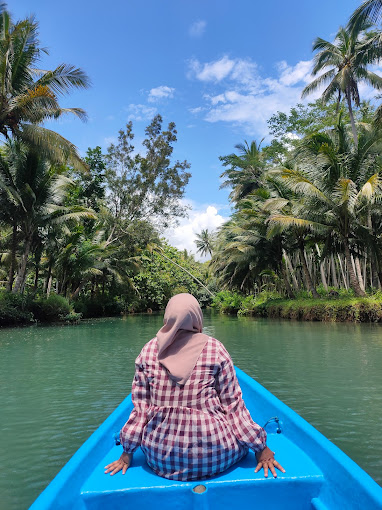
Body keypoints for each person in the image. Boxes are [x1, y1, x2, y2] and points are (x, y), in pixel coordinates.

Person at [105, 293, 285, 480]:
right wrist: (260, 448)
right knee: (235, 431)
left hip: (161, 459)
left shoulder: (148, 351)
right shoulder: (215, 349)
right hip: (217, 456)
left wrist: (127, 453)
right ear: (197, 317)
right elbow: (234, 407)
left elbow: (140, 411)